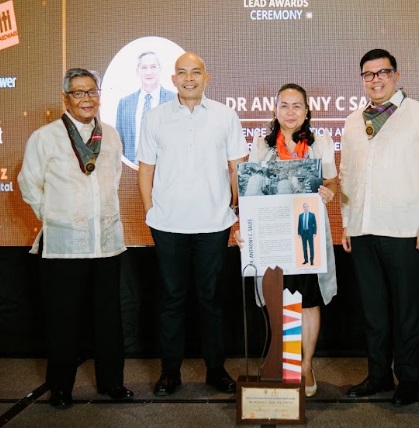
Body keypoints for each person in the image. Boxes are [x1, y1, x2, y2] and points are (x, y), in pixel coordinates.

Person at [18, 68, 133, 409]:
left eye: (92, 92)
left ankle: (112, 384)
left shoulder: (111, 135)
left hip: (106, 243)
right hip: (64, 246)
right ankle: (61, 388)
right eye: (79, 93)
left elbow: (113, 180)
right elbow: (28, 184)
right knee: (63, 321)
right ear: (65, 98)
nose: (87, 99)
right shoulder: (45, 137)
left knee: (109, 319)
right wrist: (55, 215)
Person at [339, 49, 419, 406]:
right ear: (362, 79)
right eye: (368, 74)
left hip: (405, 230)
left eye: (382, 72)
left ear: (396, 75)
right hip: (363, 229)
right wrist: (347, 223)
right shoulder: (353, 120)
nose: (376, 80)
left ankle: (408, 379)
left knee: (407, 310)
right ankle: (378, 375)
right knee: (374, 310)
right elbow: (347, 175)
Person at [137, 52, 248, 396]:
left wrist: (236, 210)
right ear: (173, 80)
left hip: (214, 223)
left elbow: (237, 167)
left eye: (195, 72)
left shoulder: (225, 116)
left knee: (211, 299)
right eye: (182, 73)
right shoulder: (154, 117)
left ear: (206, 78)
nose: (189, 78)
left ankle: (216, 369)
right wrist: (150, 212)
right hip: (167, 224)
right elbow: (146, 170)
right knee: (172, 299)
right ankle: (170, 372)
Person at [236, 83, 338, 397]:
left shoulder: (319, 144)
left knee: (308, 300)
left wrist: (329, 192)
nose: (290, 112)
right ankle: (286, 362)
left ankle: (305, 365)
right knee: (278, 297)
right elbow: (250, 189)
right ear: (275, 110)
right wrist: (242, 225)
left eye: (297, 106)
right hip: (273, 234)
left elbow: (332, 181)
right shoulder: (262, 146)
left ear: (307, 111)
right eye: (284, 105)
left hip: (307, 233)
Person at [116, 51, 176, 164]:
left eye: (153, 67)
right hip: (132, 169)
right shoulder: (124, 103)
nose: (149, 72)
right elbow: (119, 143)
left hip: (165, 170)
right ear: (137, 71)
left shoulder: (175, 101)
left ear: (160, 69)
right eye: (144, 67)